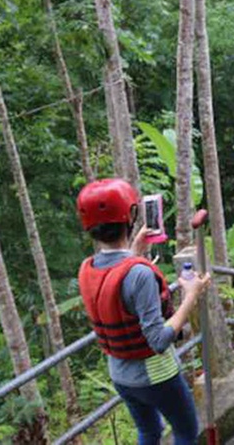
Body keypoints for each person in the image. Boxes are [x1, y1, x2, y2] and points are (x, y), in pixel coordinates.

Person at [76, 179, 209, 445]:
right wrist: (191, 296)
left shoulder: (87, 267)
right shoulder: (139, 273)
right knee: (185, 431)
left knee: (149, 432)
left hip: (121, 375)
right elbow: (158, 340)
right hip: (156, 375)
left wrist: (134, 251)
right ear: (131, 215)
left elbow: (115, 287)